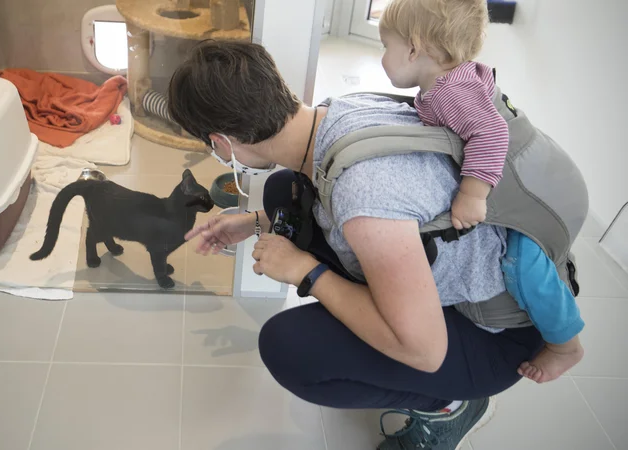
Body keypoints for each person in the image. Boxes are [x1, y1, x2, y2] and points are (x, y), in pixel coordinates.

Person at [168, 40, 544, 450]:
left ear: (222, 142)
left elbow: (424, 350)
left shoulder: (363, 196)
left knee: (289, 349)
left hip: (494, 336)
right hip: (480, 262)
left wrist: (305, 272)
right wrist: (254, 223)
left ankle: (450, 406)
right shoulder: (341, 110)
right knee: (283, 192)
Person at [378, 0, 583, 383]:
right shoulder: (445, 84)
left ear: (413, 48)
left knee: (524, 266)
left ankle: (565, 343)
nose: (382, 58)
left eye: (385, 46)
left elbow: (491, 133)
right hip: (542, 179)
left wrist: (472, 194)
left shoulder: (452, 92)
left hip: (537, 198)